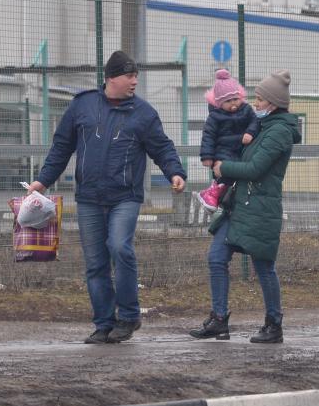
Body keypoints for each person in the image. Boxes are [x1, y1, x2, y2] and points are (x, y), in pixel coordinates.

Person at [28, 51, 186, 344]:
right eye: (129, 75)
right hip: (89, 197)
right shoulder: (82, 105)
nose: (135, 81)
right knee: (95, 263)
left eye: (136, 75)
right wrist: (43, 181)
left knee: (119, 246)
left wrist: (174, 172)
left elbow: (162, 147)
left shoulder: (144, 113)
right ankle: (103, 323)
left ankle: (129, 316)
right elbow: (61, 147)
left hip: (125, 196)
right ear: (111, 77)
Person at [189, 70, 300, 344]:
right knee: (217, 257)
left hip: (260, 208)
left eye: (260, 99)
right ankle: (218, 319)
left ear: (273, 103)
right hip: (240, 204)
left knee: (264, 267)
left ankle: (274, 324)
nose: (255, 103)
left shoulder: (279, 132)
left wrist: (223, 167)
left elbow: (255, 168)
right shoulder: (261, 125)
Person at [195, 69, 261, 212]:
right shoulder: (215, 116)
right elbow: (208, 135)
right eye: (228, 101)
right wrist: (207, 156)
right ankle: (213, 194)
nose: (233, 103)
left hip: (241, 148)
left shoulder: (246, 109)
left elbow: (255, 121)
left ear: (240, 97)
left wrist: (250, 132)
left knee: (235, 176)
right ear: (219, 103)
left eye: (235, 99)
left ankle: (213, 194)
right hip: (223, 149)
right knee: (225, 173)